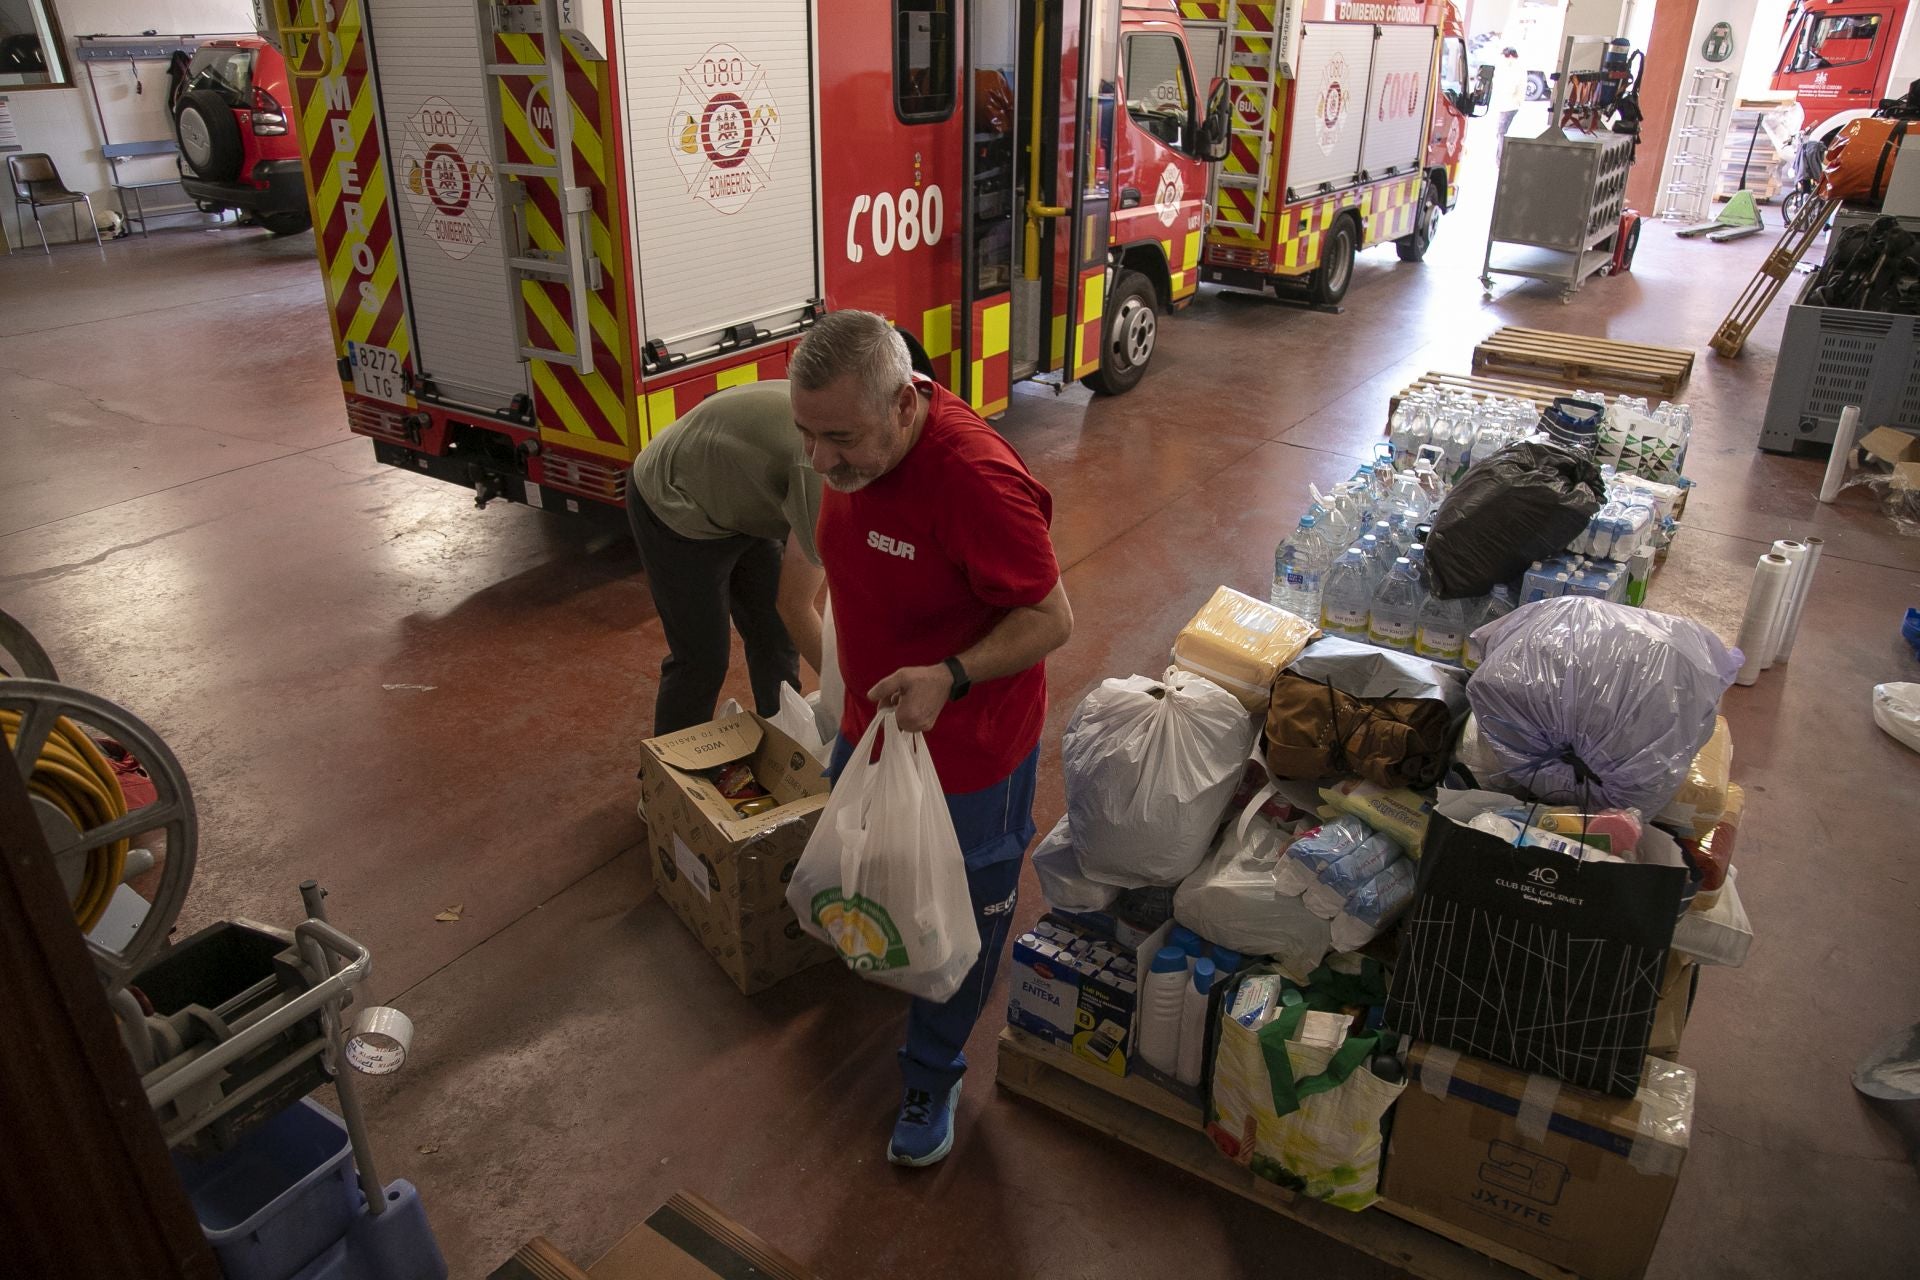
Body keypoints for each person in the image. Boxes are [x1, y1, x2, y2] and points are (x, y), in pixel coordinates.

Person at [788, 310, 1073, 1168]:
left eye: (839, 439)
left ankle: (933, 1066)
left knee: (965, 907)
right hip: (871, 725)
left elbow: (1052, 619)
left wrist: (948, 676)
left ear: (907, 404)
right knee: (879, 876)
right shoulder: (843, 450)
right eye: (807, 435)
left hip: (966, 746)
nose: (820, 462)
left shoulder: (975, 479)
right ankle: (896, 966)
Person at [625, 381, 825, 736]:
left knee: (774, 637)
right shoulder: (820, 466)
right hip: (677, 502)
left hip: (740, 494)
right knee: (702, 660)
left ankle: (787, 740)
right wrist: (852, 689)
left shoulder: (847, 436)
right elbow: (795, 604)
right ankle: (671, 777)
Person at [1493, 47, 1526, 158]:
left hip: (1509, 105)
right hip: (1511, 105)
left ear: (1510, 56)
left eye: (1505, 57)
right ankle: (1499, 158)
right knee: (1501, 133)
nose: (1504, 60)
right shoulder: (1518, 66)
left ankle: (1500, 159)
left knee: (1501, 133)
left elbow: (1511, 87)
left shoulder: (1516, 68)